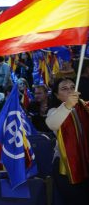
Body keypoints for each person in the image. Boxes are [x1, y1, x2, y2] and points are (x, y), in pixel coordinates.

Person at [46, 77, 89, 205]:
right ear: (57, 96)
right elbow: (52, 124)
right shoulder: (54, 111)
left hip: (85, 162)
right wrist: (68, 105)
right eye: (64, 89)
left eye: (72, 87)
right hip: (65, 167)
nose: (70, 90)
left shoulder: (85, 107)